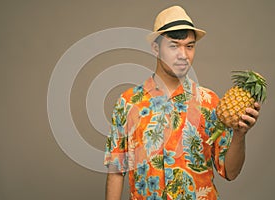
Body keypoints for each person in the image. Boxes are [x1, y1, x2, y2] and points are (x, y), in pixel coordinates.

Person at [104, 5, 260, 200]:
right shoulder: (128, 103)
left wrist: (240, 134)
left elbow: (231, 172)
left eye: (190, 46)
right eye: (174, 45)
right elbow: (116, 172)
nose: (183, 55)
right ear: (155, 48)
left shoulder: (209, 102)